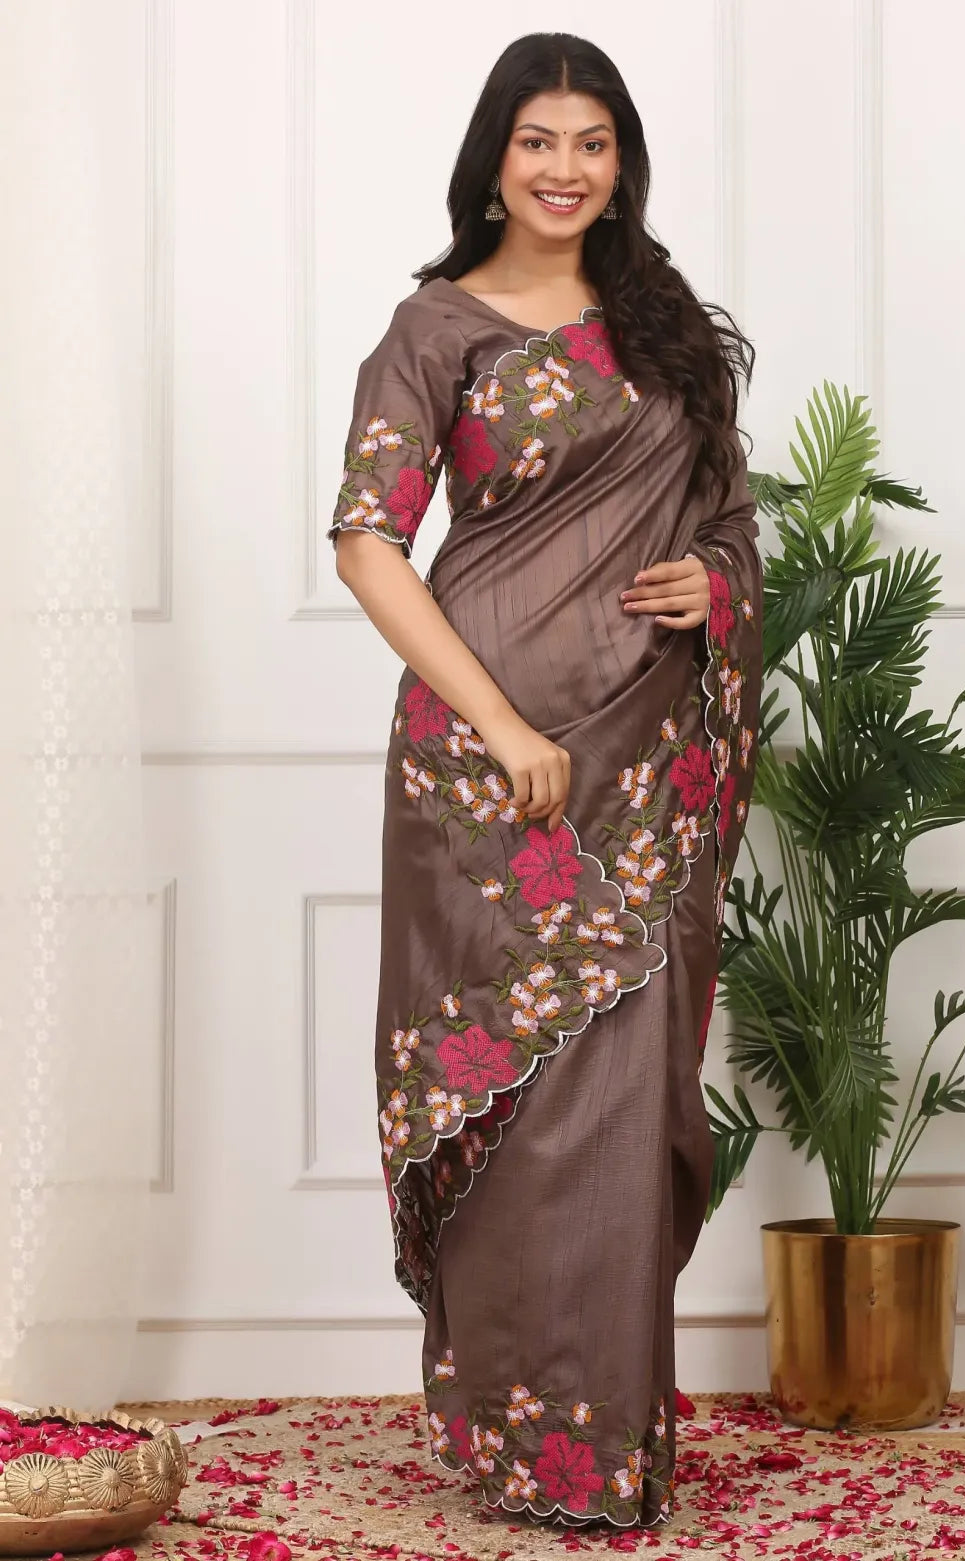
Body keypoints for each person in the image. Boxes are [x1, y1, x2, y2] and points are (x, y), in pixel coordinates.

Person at [328, 31, 764, 1531]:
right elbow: (366, 539)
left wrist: (717, 587)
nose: (567, 168)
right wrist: (501, 725)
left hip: (645, 765)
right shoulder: (435, 328)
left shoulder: (663, 331)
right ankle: (516, 1441)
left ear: (622, 160)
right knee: (514, 1113)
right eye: (539, 141)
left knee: (619, 1100)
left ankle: (607, 1444)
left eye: (593, 141)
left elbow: (732, 524)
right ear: (493, 158)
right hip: (485, 766)